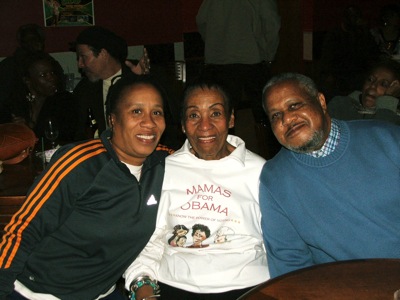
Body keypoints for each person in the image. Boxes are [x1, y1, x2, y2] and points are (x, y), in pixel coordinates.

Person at [0, 74, 172, 299]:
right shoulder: (81, 163)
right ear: (113, 119)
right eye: (136, 111)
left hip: (104, 293)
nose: (149, 122)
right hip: (41, 293)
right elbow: (22, 231)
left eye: (156, 112)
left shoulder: (165, 164)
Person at [124, 78, 269, 300]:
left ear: (231, 119)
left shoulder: (260, 171)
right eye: (194, 115)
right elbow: (147, 241)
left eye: (216, 113)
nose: (204, 125)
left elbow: (279, 244)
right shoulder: (164, 170)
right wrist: (142, 286)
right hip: (173, 286)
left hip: (248, 287)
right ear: (183, 125)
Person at [259, 72, 400, 278]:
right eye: (275, 115)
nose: (287, 118)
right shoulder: (275, 179)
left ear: (321, 101)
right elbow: (290, 264)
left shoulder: (385, 138)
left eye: (294, 106)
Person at [196, 0, 281, 123]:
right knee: (266, 112)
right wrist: (269, 54)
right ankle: (265, 138)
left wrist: (212, 42)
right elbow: (271, 24)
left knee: (220, 113)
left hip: (218, 60)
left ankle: (225, 141)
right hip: (252, 59)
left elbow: (201, 20)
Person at [73, 26, 150, 140]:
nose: (80, 64)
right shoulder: (84, 89)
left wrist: (145, 80)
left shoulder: (137, 75)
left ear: (103, 54)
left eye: (83, 57)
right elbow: (79, 131)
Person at [3, 51, 78, 142]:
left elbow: (65, 137)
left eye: (52, 73)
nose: (51, 78)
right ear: (28, 81)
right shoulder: (16, 104)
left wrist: (27, 132)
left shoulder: (64, 101)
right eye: (43, 75)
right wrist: (16, 129)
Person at [0, 24, 64, 123]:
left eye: (35, 40)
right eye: (28, 41)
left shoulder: (50, 64)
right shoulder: (9, 65)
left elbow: (60, 93)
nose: (32, 44)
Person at [316, 5, 380, 100]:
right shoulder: (335, 35)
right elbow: (327, 59)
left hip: (359, 77)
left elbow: (372, 54)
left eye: (356, 17)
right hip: (338, 78)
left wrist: (364, 31)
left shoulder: (362, 34)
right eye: (352, 16)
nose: (355, 20)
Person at [328, 58, 400, 125]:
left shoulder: (395, 121)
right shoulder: (340, 105)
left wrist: (388, 101)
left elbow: (379, 136)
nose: (373, 86)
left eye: (383, 84)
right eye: (370, 79)